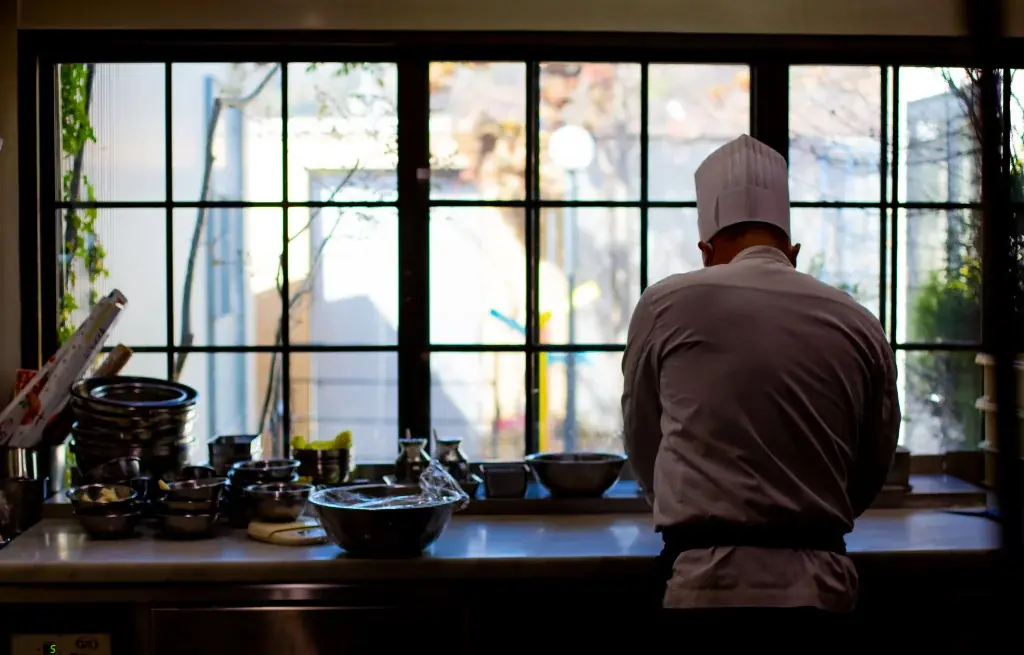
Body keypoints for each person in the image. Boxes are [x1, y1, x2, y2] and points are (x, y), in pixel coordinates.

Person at [621, 135, 900, 642]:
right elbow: (871, 465)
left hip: (703, 584)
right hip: (823, 587)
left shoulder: (667, 304)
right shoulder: (858, 321)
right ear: (791, 251)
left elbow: (643, 441)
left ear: (707, 250)